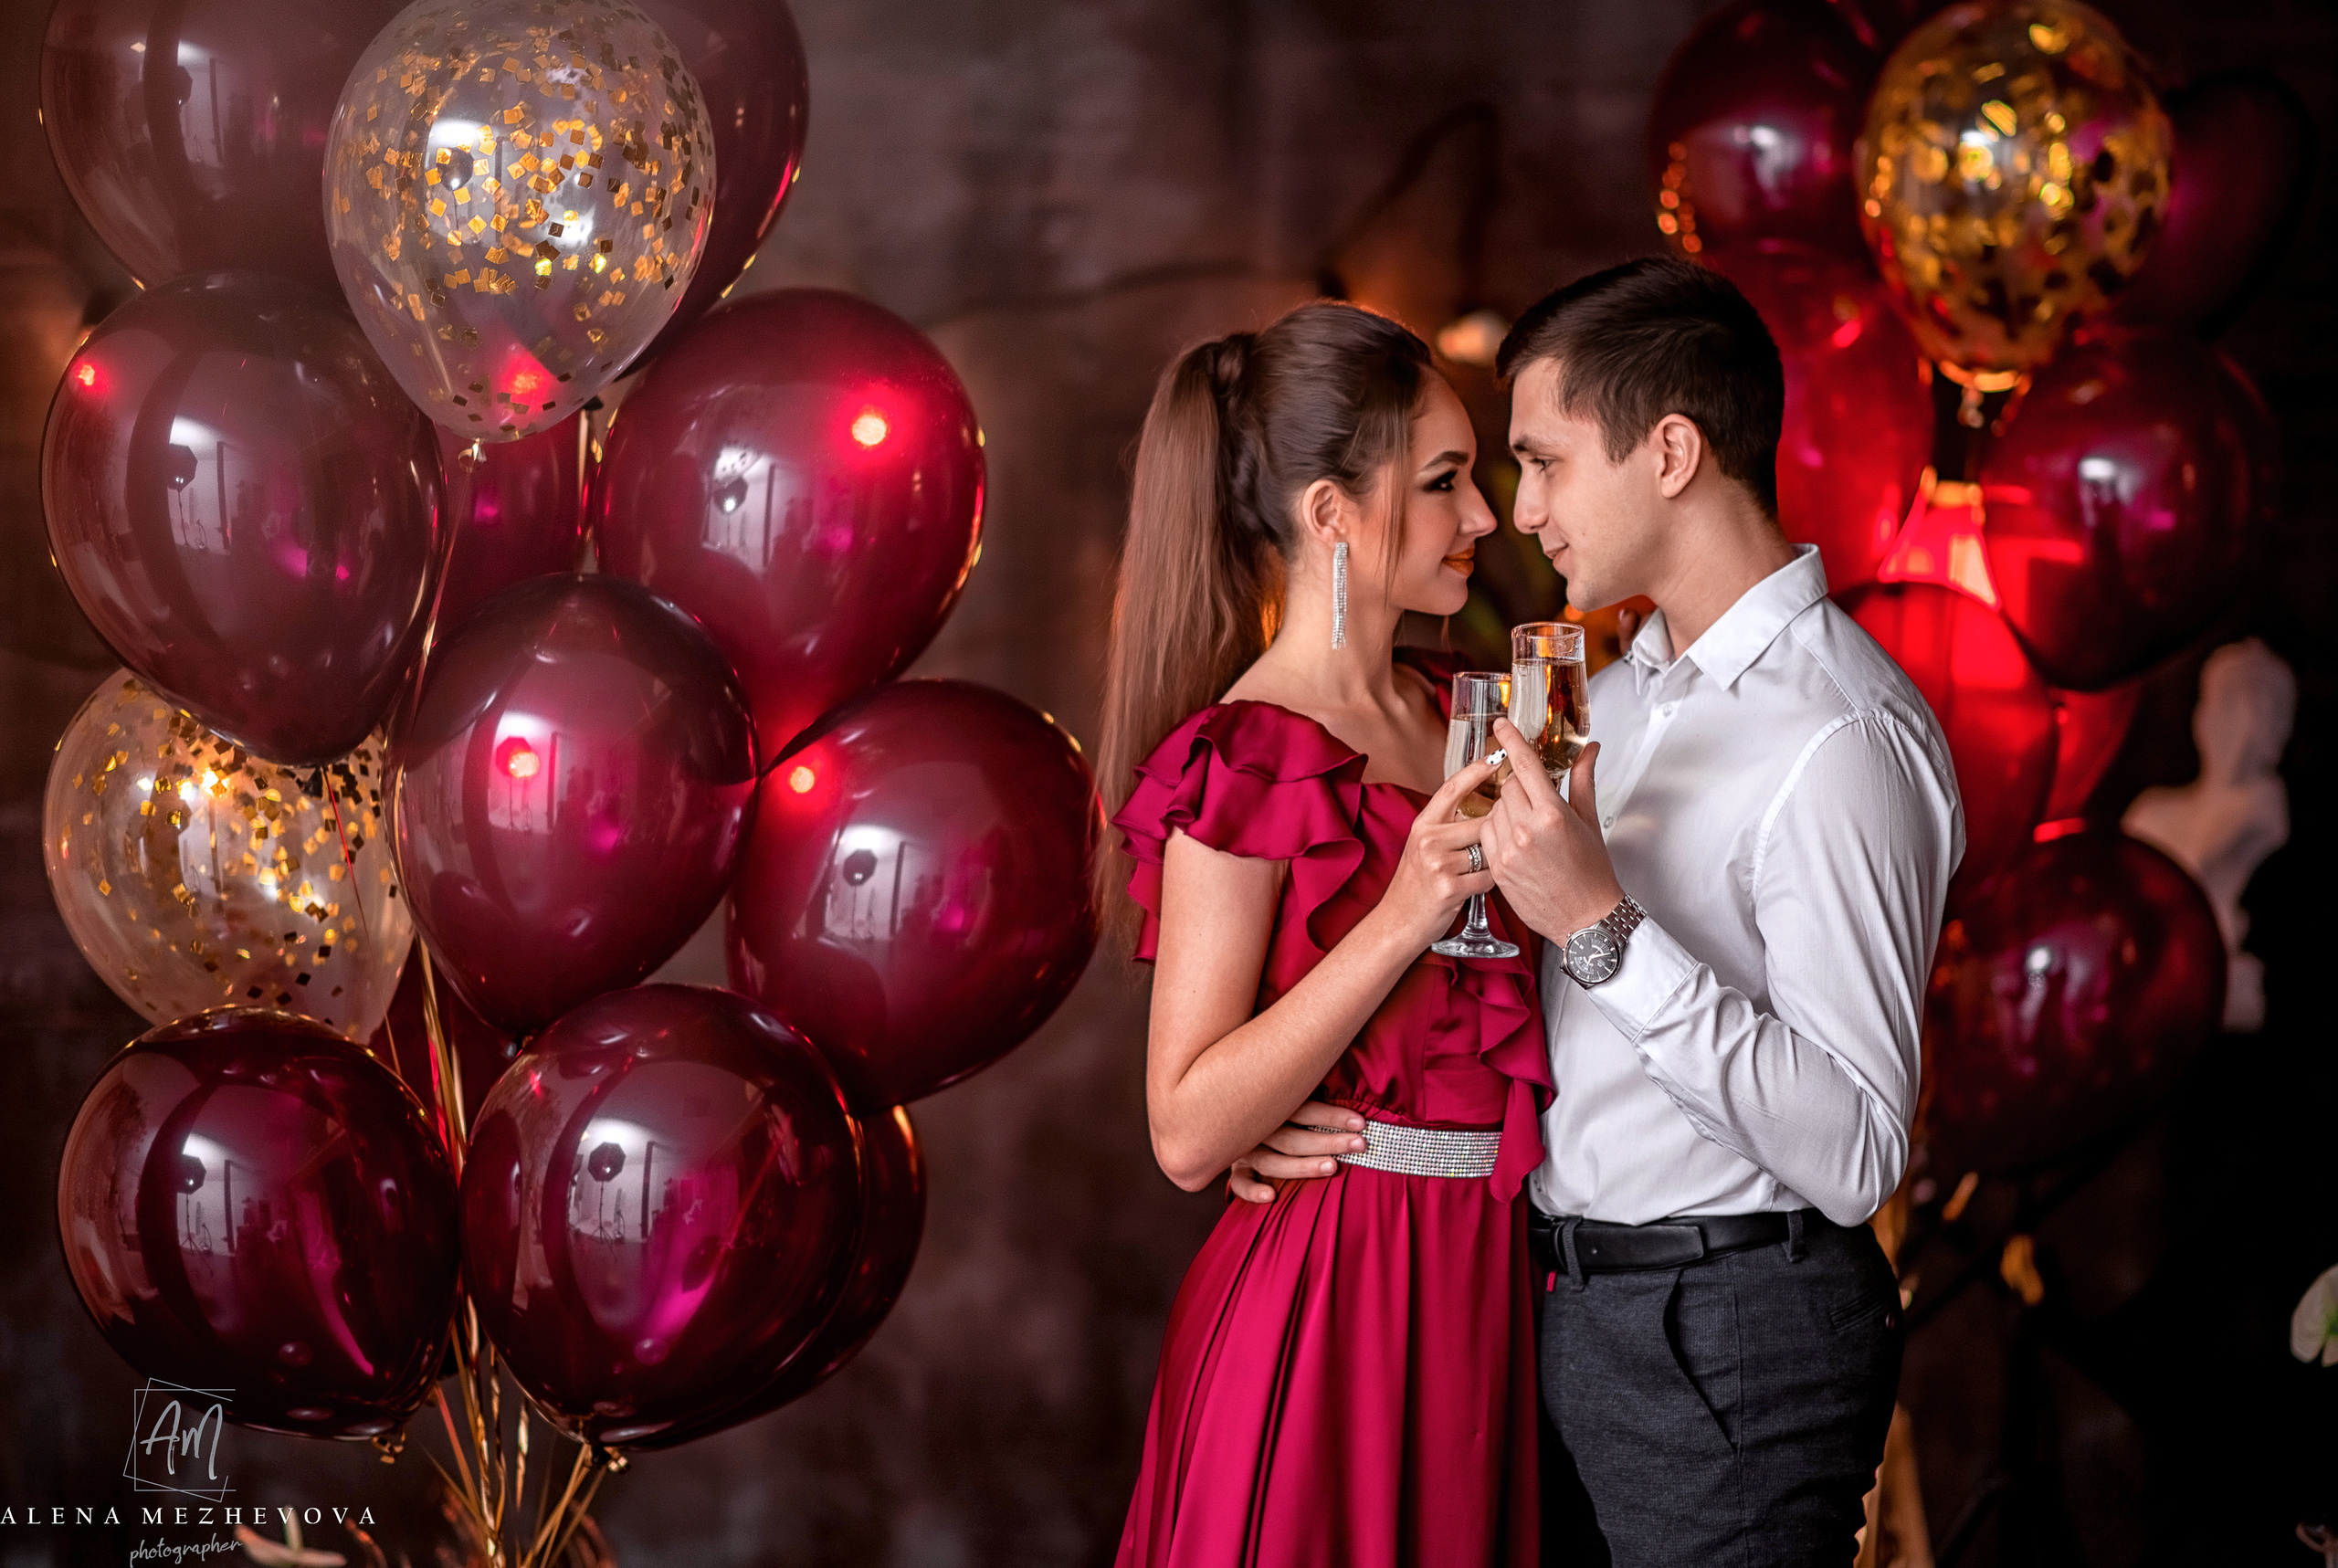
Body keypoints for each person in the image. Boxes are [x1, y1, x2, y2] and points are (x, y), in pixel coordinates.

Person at [1232, 257, 1964, 1564]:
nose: (1520, 513)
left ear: (1670, 450)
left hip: (1734, 1336)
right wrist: (1290, 1124)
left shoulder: (1839, 734)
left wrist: (1604, 928)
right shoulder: (1608, 704)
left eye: (1546, 461)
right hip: (1545, 1311)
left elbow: (1858, 1151)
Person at [1098, 300, 1552, 1568]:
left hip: (1499, 1294)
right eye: (1447, 482)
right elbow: (1188, 1129)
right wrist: (1403, 914)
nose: (1484, 517)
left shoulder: (1473, 707)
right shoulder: (1239, 760)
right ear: (1331, 513)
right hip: (1331, 1310)